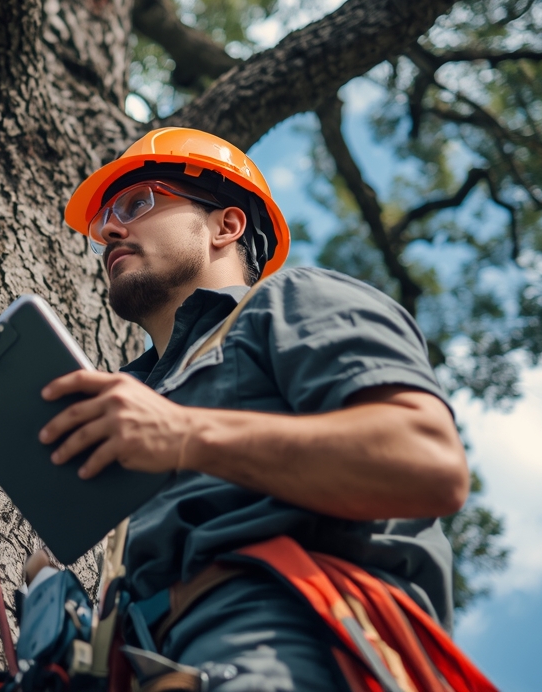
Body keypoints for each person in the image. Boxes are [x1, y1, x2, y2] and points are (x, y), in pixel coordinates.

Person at [34, 127, 469, 691]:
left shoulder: (294, 302)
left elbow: (425, 459)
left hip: (297, 638)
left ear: (227, 225)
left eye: (138, 203)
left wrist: (186, 434)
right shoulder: (135, 396)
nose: (111, 228)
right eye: (103, 223)